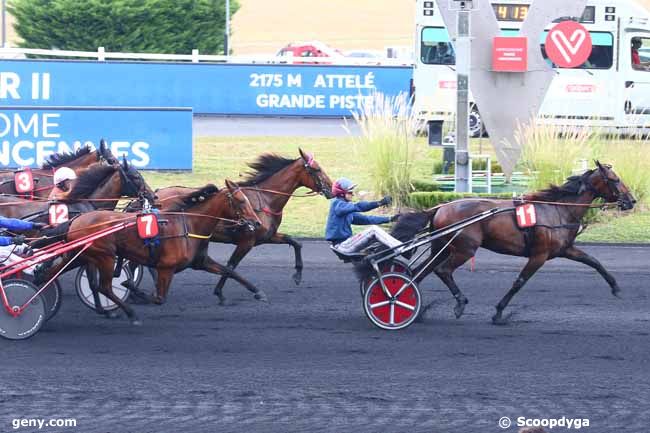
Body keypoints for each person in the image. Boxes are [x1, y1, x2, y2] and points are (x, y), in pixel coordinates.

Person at [325, 178, 401, 256]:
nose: (352, 194)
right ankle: (401, 248)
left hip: (346, 244)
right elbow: (359, 207)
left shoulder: (346, 211)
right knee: (373, 230)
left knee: (378, 240)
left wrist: (390, 219)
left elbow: (367, 219)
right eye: (350, 192)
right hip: (342, 245)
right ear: (341, 193)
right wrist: (379, 203)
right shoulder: (337, 204)